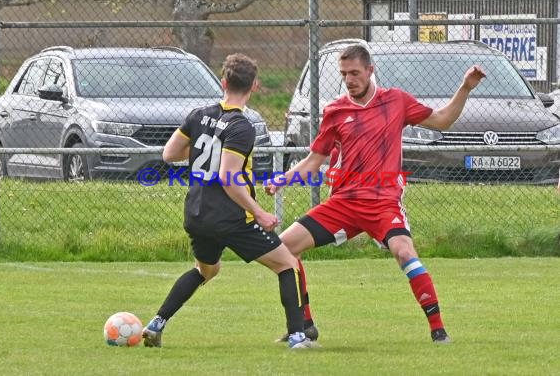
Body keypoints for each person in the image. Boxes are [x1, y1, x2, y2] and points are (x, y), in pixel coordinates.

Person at [266, 44, 486, 344]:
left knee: (404, 252)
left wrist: (464, 88)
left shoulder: (396, 101)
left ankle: (438, 330)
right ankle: (304, 326)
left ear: (370, 71)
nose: (349, 79)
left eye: (355, 73)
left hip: (383, 202)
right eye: (344, 74)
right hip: (343, 203)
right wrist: (284, 179)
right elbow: (314, 161)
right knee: (284, 248)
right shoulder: (335, 111)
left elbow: (442, 120)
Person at [142, 53, 316, 349]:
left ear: (223, 82)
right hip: (231, 217)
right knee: (287, 264)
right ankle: (298, 337)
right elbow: (228, 177)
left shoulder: (198, 114)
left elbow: (169, 154)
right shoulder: (241, 126)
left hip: (197, 213)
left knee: (206, 271)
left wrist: (201, 153)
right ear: (255, 86)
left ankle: (157, 323)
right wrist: (259, 212)